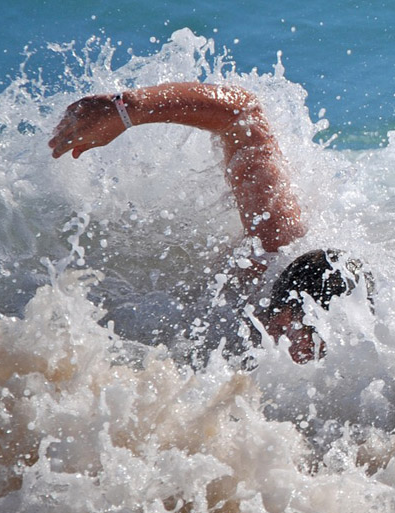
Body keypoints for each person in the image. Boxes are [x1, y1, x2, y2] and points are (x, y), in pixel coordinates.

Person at [49, 82, 367, 363]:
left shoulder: (368, 349)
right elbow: (242, 113)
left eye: (321, 352)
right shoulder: (275, 248)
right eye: (314, 348)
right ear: (283, 317)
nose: (312, 361)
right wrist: (126, 109)